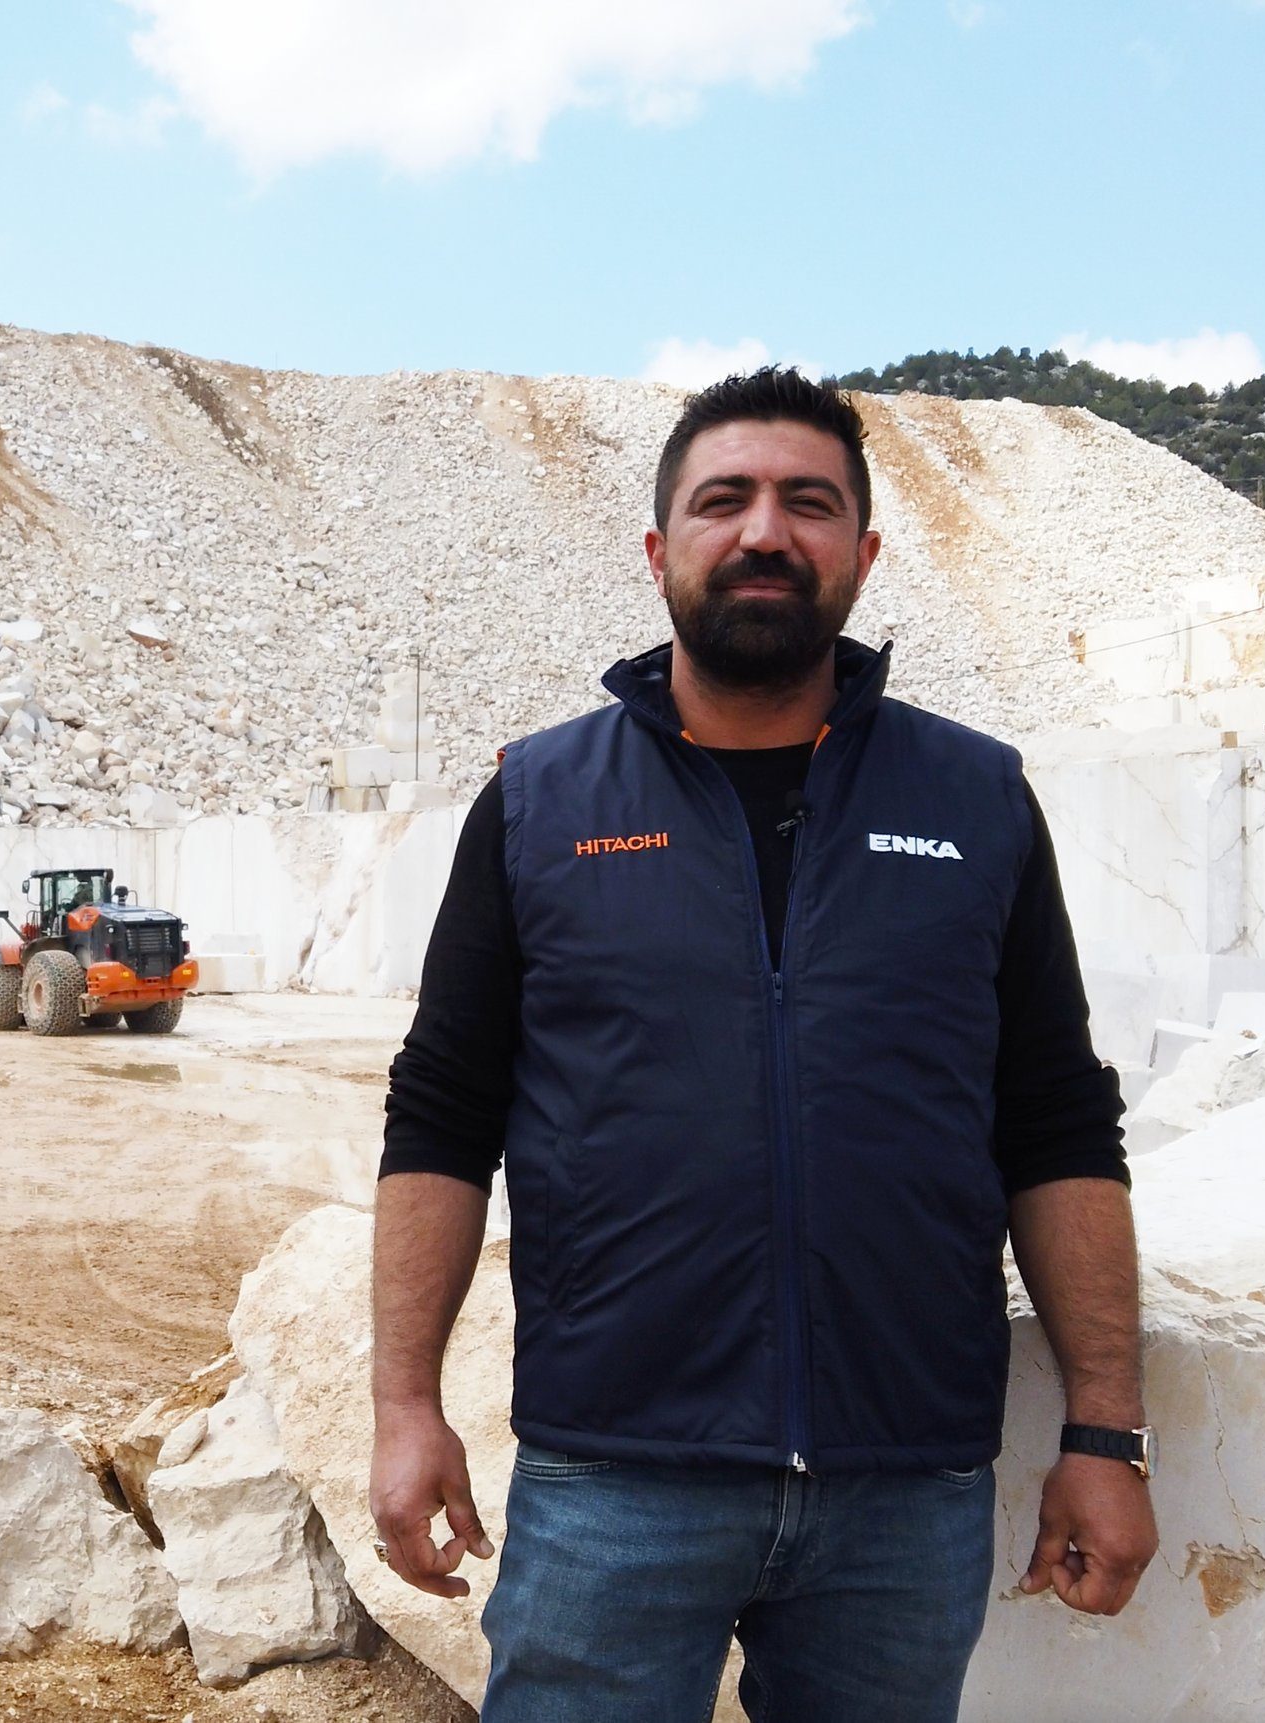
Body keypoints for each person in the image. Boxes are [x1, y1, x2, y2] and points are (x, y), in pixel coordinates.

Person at [371, 367, 1157, 1722]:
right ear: (660, 548)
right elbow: (440, 1115)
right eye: (721, 500)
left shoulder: (976, 799)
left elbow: (1056, 1123)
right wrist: (403, 1406)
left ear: (861, 552)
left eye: (809, 502)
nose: (763, 532)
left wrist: (1105, 1431)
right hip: (613, 1483)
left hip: (903, 1498)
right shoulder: (538, 803)